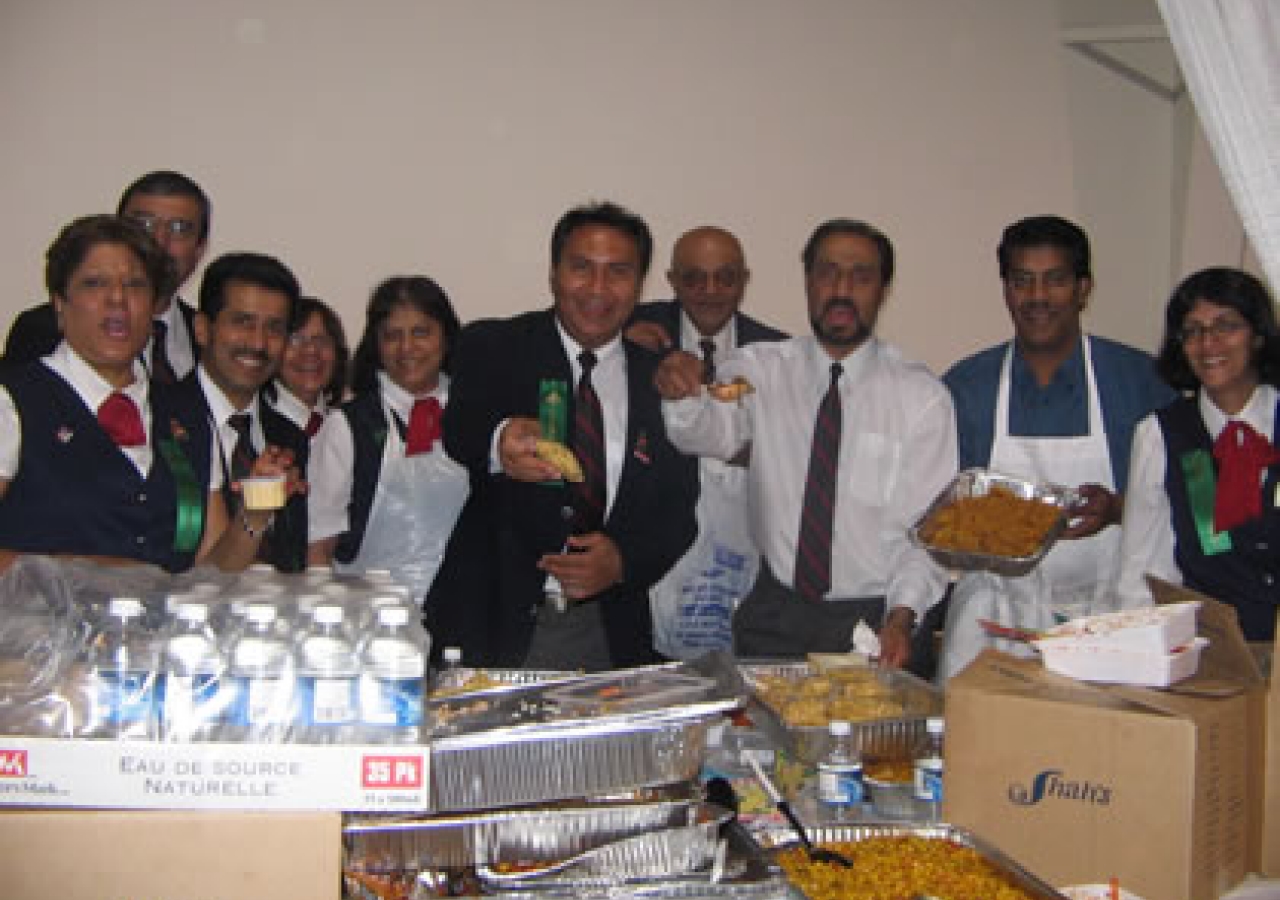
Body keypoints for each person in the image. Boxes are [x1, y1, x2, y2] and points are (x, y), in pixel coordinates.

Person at [656, 218, 956, 671]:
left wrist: (902, 616)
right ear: (808, 280)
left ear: (883, 289)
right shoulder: (760, 370)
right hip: (777, 614)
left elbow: (929, 534)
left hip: (881, 618)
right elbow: (707, 433)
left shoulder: (921, 398)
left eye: (861, 276)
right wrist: (681, 395)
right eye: (827, 272)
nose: (841, 289)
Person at [433, 201, 699, 670]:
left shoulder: (658, 380)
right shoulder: (495, 345)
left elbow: (677, 509)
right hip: (495, 623)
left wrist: (624, 560)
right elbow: (461, 427)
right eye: (581, 268)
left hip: (612, 630)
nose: (598, 289)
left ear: (639, 285)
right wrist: (501, 439)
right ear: (554, 274)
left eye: (618, 271)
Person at [938, 216, 1176, 681]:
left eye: (1056, 280)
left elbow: (1183, 507)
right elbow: (939, 508)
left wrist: (1117, 509)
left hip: (1102, 622)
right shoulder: (966, 387)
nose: (1038, 298)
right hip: (991, 623)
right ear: (1006, 289)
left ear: (1083, 288)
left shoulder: (1140, 381)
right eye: (1022, 281)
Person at [0, 215, 287, 571]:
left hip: (161, 625)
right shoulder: (13, 401)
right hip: (37, 624)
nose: (118, 299)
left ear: (154, 305)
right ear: (60, 302)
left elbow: (211, 574)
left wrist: (255, 515)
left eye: (135, 285)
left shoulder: (186, 414)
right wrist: (85, 572)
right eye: (95, 284)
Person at [626, 226, 786, 658]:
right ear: (673, 280)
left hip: (743, 558)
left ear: (745, 280)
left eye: (726, 277)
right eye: (694, 278)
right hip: (647, 564)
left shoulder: (778, 355)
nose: (710, 291)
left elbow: (796, 454)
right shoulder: (632, 335)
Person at [1118, 267, 1280, 641]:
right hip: (1216, 655)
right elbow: (1143, 573)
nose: (1209, 343)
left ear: (1257, 336)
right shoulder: (1164, 436)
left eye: (1226, 326)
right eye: (1193, 331)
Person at [307, 277, 468, 603]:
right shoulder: (348, 425)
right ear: (376, 346)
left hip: (465, 611)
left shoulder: (478, 413)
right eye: (392, 336)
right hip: (368, 615)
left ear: (446, 338)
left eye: (421, 332)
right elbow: (319, 547)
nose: (407, 348)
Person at [172, 252, 310, 573]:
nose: (258, 343)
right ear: (203, 329)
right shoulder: (159, 420)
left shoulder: (290, 438)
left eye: (274, 328)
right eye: (242, 322)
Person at [3, 171, 211, 381]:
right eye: (144, 224)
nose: (158, 240)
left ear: (200, 248)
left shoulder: (211, 337)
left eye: (178, 228)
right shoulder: (41, 329)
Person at [265, 296, 348, 438]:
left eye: (321, 340)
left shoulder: (352, 425)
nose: (311, 350)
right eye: (295, 339)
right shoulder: (252, 426)